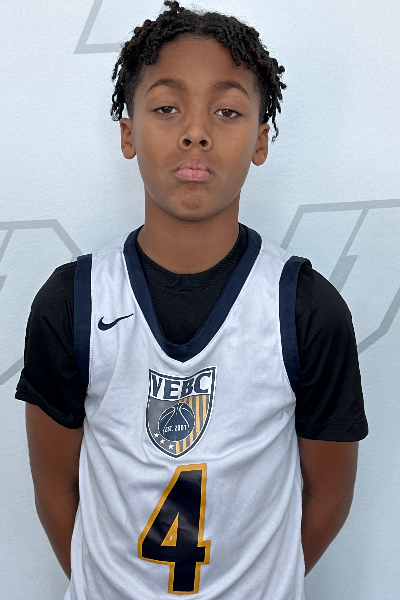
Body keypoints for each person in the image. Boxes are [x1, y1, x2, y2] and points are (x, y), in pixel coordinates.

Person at [17, 2, 368, 599]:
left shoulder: (306, 310)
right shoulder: (72, 302)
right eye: (166, 108)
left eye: (227, 111)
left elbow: (329, 497)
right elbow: (55, 490)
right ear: (128, 133)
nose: (196, 131)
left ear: (260, 140)